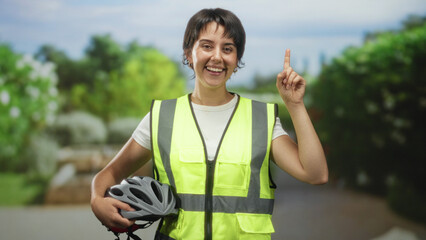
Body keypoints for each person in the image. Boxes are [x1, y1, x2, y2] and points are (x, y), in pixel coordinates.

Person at [91, 8, 328, 240]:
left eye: (228, 48)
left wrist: (295, 105)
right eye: (206, 46)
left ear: (237, 59)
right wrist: (96, 201)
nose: (217, 57)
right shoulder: (162, 117)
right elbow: (108, 174)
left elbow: (315, 173)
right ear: (188, 53)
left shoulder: (261, 118)